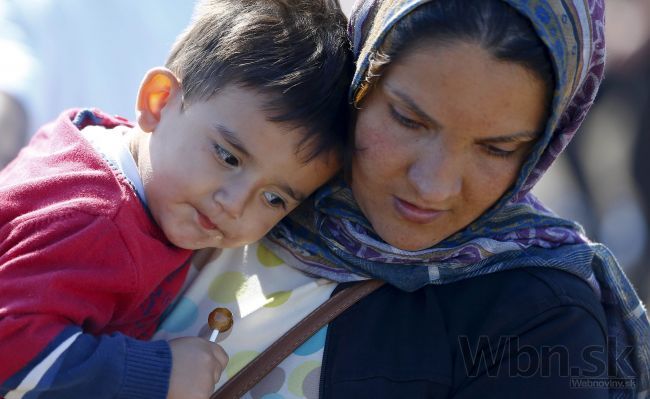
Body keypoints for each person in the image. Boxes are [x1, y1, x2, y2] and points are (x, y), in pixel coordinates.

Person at [157, 0, 650, 397]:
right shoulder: (214, 193)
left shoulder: (539, 320)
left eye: (496, 149)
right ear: (359, 79)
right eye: (408, 121)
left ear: (545, 143)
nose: (434, 185)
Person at [0, 0, 352, 397]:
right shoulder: (98, 221)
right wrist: (158, 374)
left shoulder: (106, 151)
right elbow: (10, 350)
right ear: (159, 100)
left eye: (273, 199)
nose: (234, 204)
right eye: (228, 156)